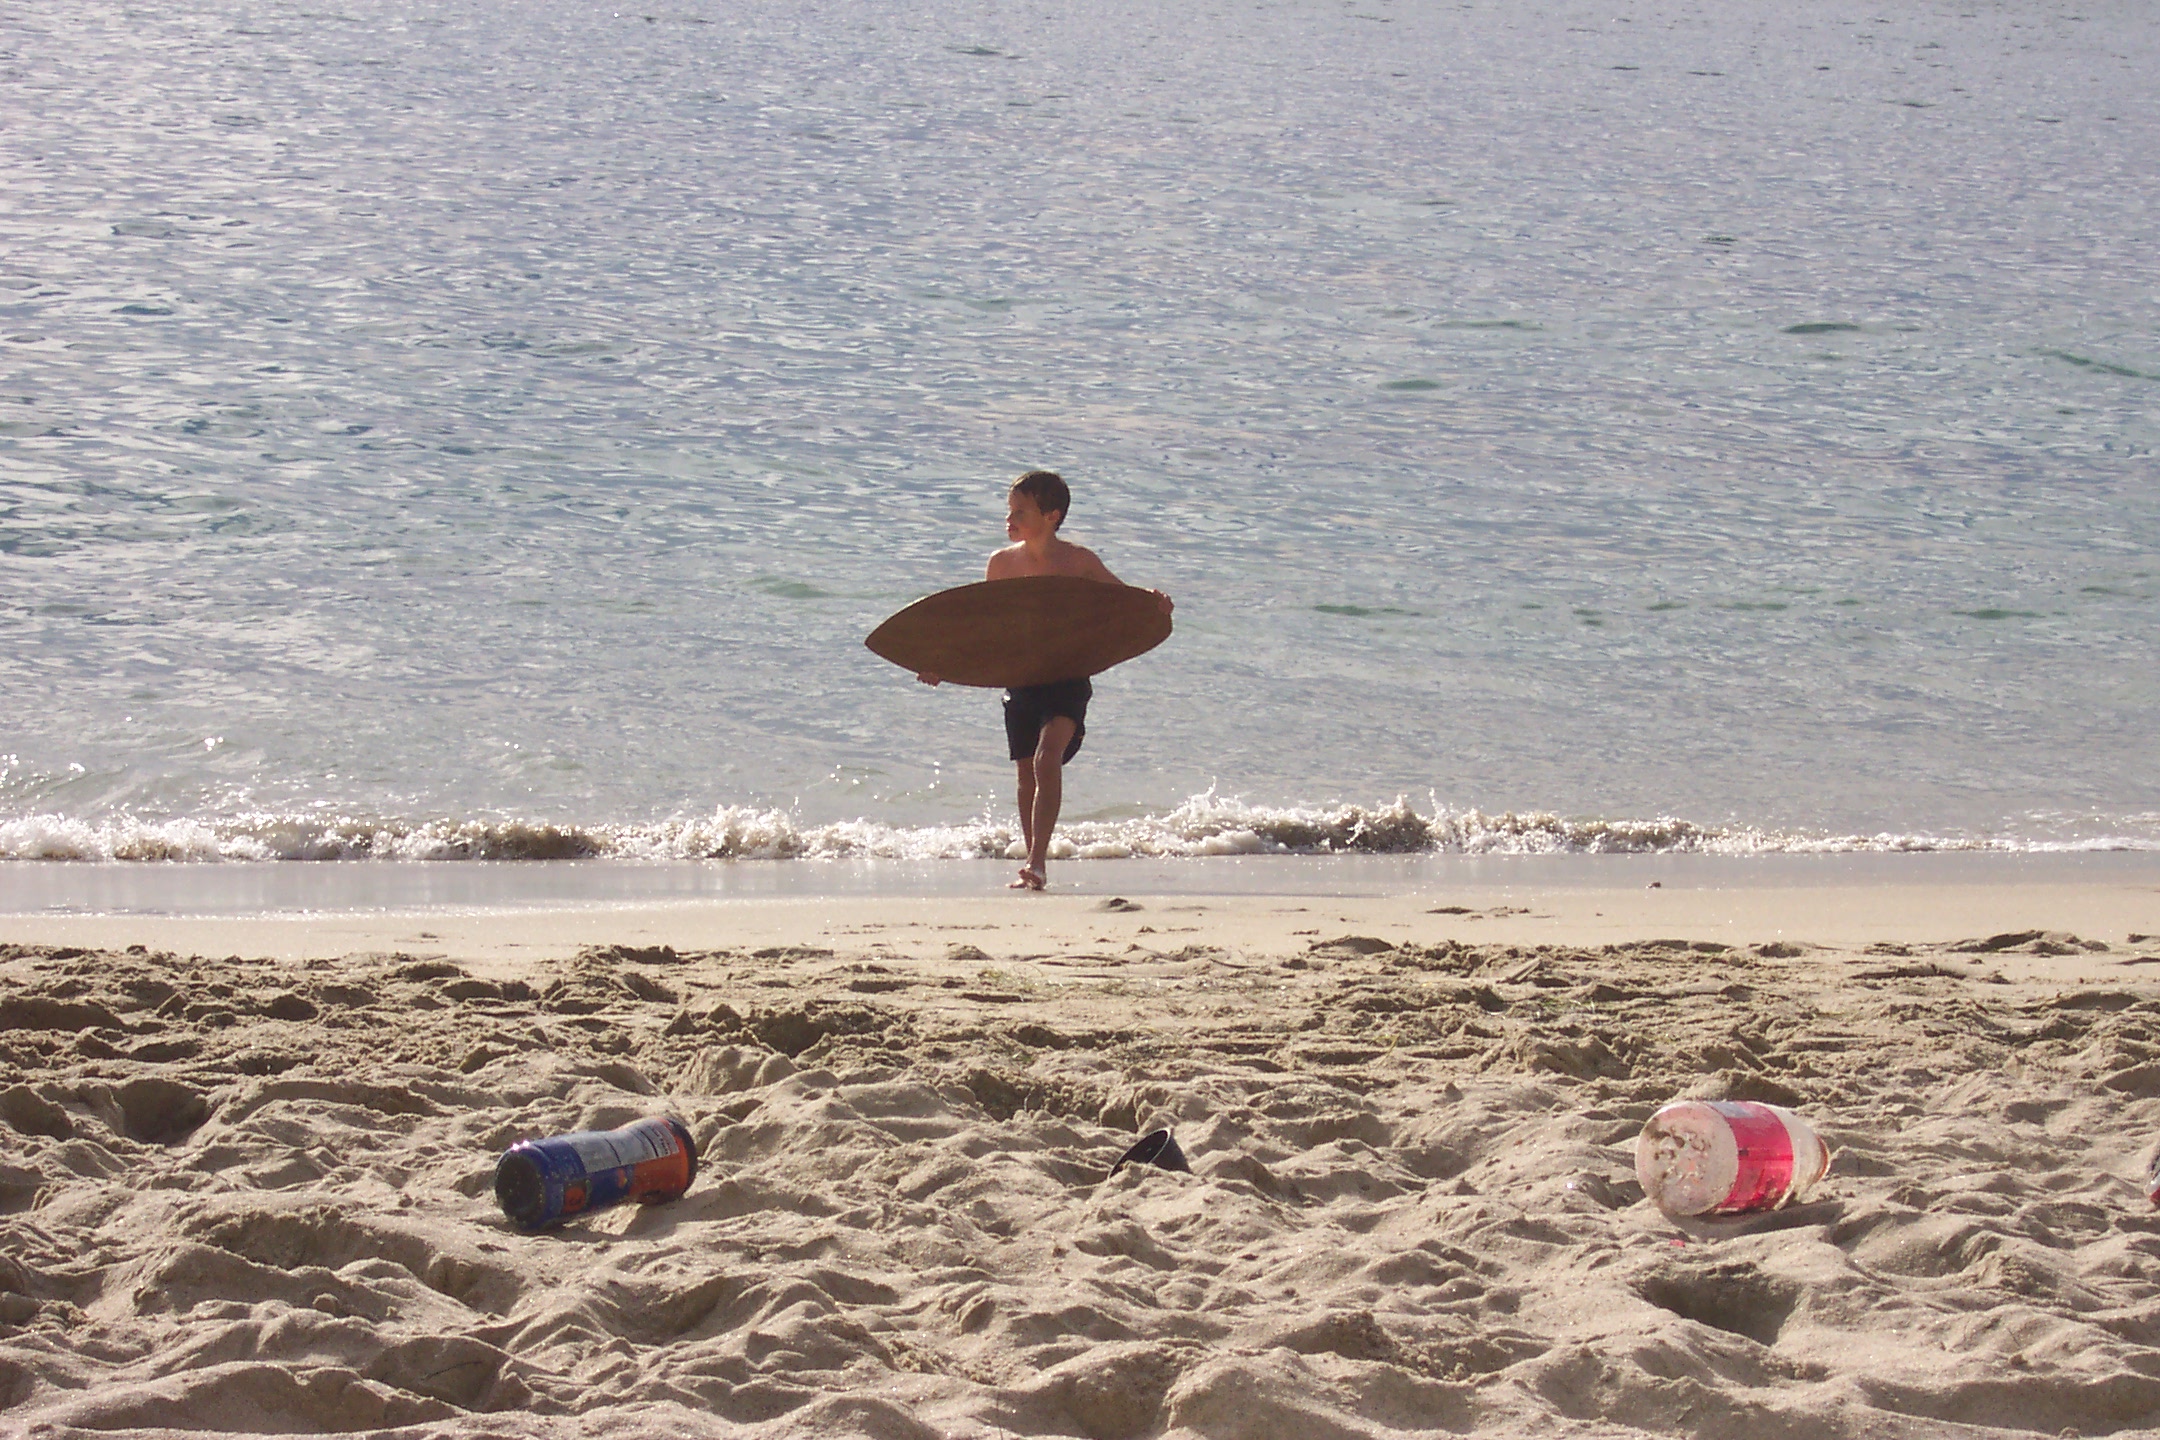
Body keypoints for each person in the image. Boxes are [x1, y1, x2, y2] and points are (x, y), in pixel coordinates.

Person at [920, 471, 1172, 890]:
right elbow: (986, 631)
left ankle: (1037, 862)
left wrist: (1155, 602)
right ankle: (1032, 859)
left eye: (1020, 511)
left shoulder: (1079, 561)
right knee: (1025, 773)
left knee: (1045, 756)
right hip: (1021, 678)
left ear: (1052, 516)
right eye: (1009, 510)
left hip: (1068, 675)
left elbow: (1122, 601)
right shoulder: (1001, 564)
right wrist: (944, 667)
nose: (1009, 518)